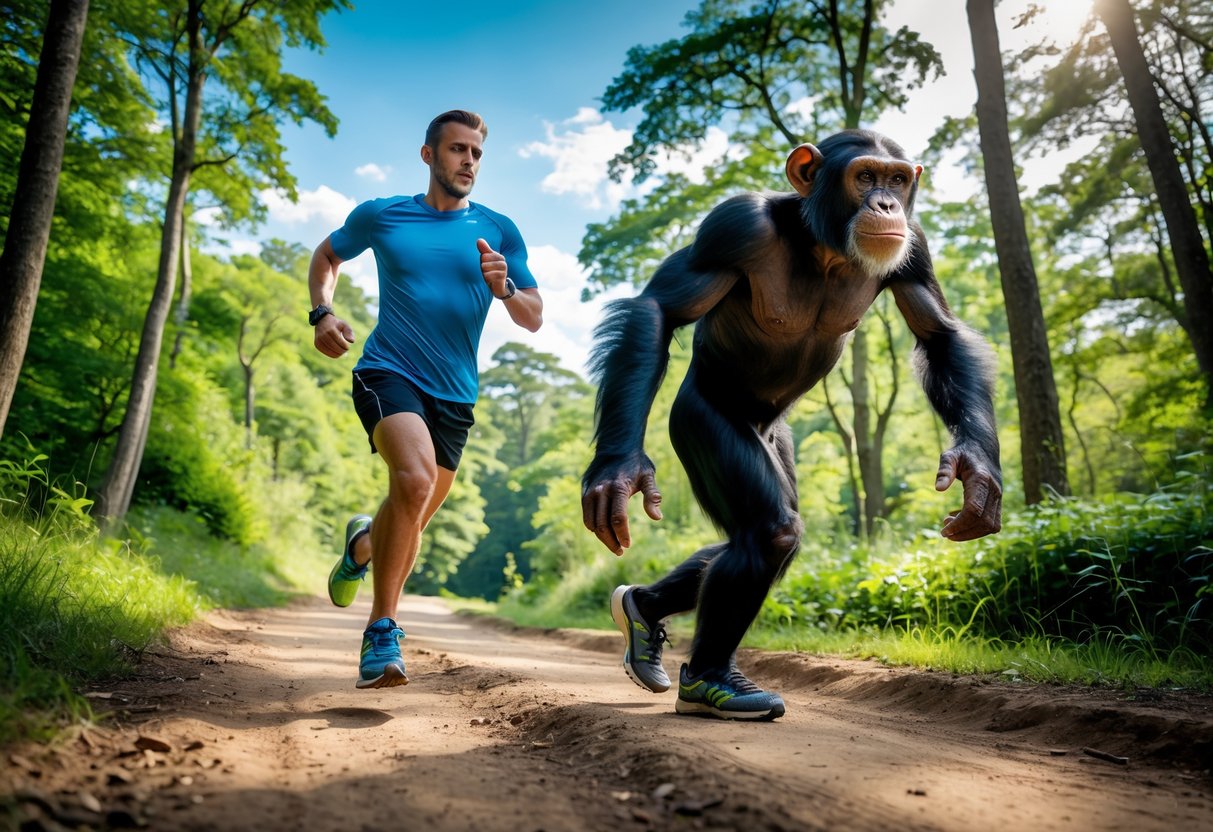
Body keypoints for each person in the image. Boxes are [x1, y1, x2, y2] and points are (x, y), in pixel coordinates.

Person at [308, 109, 543, 689]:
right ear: (429, 155)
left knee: (409, 518)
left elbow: (534, 317)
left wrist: (505, 286)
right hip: (388, 370)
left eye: (477, 153)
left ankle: (363, 544)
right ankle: (381, 633)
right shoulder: (384, 216)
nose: (469, 161)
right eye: (458, 149)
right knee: (411, 483)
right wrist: (322, 313)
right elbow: (327, 256)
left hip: (456, 396)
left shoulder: (499, 229)